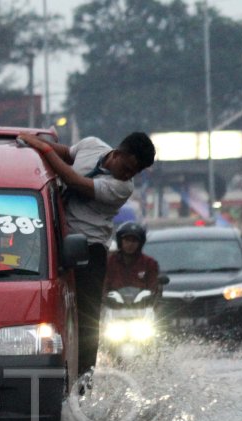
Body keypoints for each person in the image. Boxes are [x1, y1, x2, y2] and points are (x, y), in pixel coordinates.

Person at [16, 131, 156, 378]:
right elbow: (66, 153)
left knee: (86, 319)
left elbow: (74, 181)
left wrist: (41, 147)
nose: (127, 175)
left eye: (133, 173)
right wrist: (41, 145)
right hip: (54, 240)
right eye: (126, 167)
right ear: (117, 152)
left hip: (90, 249)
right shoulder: (90, 145)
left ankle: (83, 378)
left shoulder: (122, 188)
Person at [104, 221, 160, 298]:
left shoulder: (149, 263)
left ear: (140, 243)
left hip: (143, 307)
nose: (130, 244)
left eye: (134, 241)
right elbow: (103, 287)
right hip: (113, 307)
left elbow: (154, 288)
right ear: (120, 241)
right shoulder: (110, 262)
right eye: (127, 240)